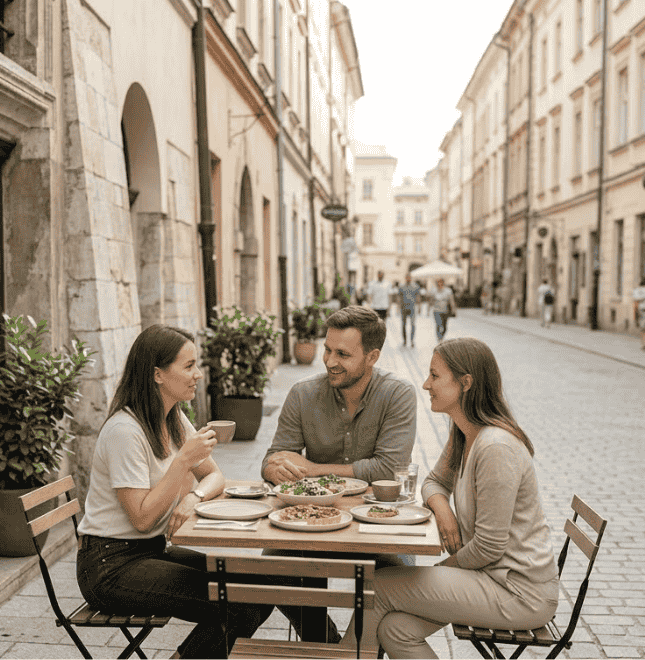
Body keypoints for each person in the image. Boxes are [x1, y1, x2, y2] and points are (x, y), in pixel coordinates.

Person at [343, 337, 559, 658]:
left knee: (378, 585)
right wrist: (443, 509)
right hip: (488, 578)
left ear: (465, 383)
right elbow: (432, 482)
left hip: (518, 592)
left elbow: (489, 546)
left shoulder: (495, 447)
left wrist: (443, 568)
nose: (426, 383)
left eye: (435, 375)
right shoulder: (465, 432)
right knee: (396, 629)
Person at [76, 325, 272, 659]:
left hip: (150, 551)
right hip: (110, 566)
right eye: (188, 365)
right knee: (239, 605)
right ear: (157, 375)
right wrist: (181, 462)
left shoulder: (173, 419)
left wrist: (192, 498)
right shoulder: (125, 431)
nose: (198, 374)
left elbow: (214, 476)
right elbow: (141, 517)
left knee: (257, 589)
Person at [260, 305, 417, 642]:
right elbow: (273, 458)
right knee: (273, 568)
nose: (330, 360)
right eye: (328, 349)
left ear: (372, 356)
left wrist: (313, 470)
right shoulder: (302, 394)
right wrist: (275, 468)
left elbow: (387, 468)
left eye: (343, 354)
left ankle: (356, 647)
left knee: (402, 576)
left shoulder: (398, 394)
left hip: (379, 523)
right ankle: (322, 640)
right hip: (314, 523)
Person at [398, 273, 421, 347]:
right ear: (405, 278)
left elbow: (418, 297)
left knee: (413, 324)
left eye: (409, 277)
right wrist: (398, 308)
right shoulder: (401, 287)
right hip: (403, 307)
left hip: (412, 308)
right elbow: (399, 297)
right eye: (407, 277)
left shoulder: (415, 286)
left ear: (411, 278)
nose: (408, 278)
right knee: (403, 325)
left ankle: (412, 340)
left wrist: (419, 307)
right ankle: (404, 340)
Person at [431, 278, 456, 342]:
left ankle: (441, 336)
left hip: (445, 310)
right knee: (438, 324)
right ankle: (439, 337)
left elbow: (451, 300)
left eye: (441, 282)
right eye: (438, 282)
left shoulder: (448, 291)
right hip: (436, 310)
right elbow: (431, 301)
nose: (439, 284)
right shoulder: (434, 291)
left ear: (443, 283)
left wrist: (453, 309)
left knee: (444, 326)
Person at [633, 277, 645, 350]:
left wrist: (635, 316)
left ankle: (644, 344)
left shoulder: (638, 290)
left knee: (643, 329)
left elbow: (636, 304)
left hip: (642, 311)